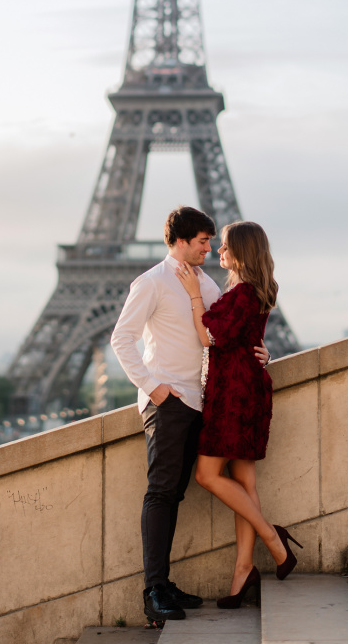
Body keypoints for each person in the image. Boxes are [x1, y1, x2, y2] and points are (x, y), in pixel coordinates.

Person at [111, 206, 270, 625]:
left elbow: (226, 333)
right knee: (161, 492)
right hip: (168, 402)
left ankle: (164, 584)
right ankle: (154, 591)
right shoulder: (152, 282)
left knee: (174, 494)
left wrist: (263, 352)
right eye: (202, 241)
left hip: (201, 403)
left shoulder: (206, 284)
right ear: (180, 241)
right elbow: (122, 339)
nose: (209, 248)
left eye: (212, 241)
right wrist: (154, 388)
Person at [175, 220, 302, 607]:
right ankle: (243, 572)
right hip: (245, 390)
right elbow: (247, 337)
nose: (219, 250)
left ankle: (272, 538)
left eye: (226, 245)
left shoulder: (244, 292)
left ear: (242, 251)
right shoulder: (252, 289)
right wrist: (263, 353)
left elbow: (209, 337)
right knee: (244, 484)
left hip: (234, 396)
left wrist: (194, 295)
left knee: (206, 474)